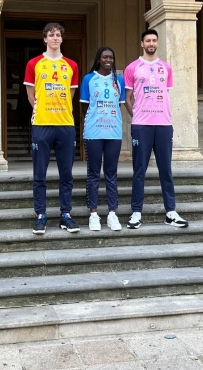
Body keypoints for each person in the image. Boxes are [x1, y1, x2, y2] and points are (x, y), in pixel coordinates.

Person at [123, 29, 188, 229]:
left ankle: (170, 212)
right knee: (139, 170)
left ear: (157, 43)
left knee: (165, 170)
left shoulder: (165, 68)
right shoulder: (132, 67)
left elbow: (165, 94)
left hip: (163, 124)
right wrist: (138, 116)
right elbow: (127, 98)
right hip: (141, 125)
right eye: (147, 40)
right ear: (142, 43)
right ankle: (136, 212)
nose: (151, 43)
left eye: (154, 40)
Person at [24, 22, 79, 235]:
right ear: (45, 39)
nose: (55, 38)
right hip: (42, 124)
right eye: (51, 35)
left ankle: (66, 215)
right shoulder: (34, 63)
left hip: (65, 125)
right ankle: (41, 215)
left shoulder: (71, 65)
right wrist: (43, 110)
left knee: (66, 174)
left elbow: (71, 96)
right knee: (40, 174)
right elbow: (31, 95)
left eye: (58, 35)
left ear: (62, 39)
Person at [80, 47, 126, 231]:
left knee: (111, 173)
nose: (108, 60)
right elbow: (84, 107)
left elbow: (119, 105)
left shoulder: (119, 81)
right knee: (93, 173)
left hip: (113, 133)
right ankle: (93, 214)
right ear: (99, 59)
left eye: (111, 57)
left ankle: (112, 213)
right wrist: (95, 121)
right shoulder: (89, 79)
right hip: (93, 133)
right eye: (105, 57)